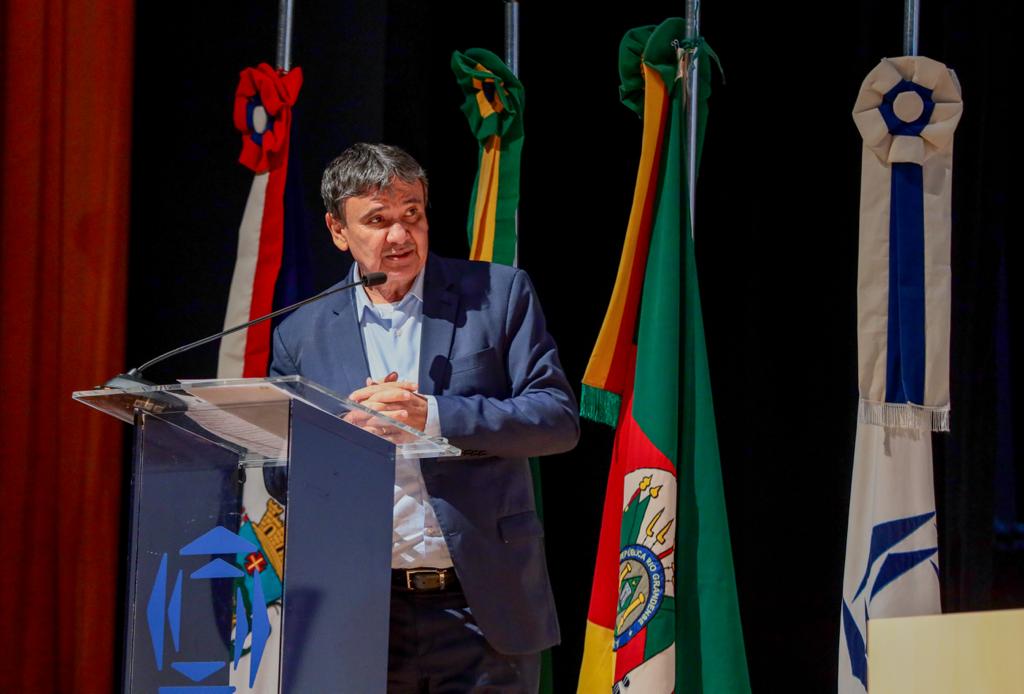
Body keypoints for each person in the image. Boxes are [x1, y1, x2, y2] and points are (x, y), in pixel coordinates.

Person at [270, 143, 579, 692]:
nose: (400, 235)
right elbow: (279, 472)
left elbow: (555, 419)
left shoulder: (498, 295)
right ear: (338, 230)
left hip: (480, 604)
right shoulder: (301, 333)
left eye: (412, 213)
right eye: (378, 220)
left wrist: (432, 415)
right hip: (361, 610)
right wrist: (337, 440)